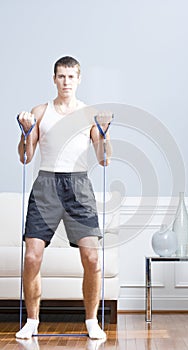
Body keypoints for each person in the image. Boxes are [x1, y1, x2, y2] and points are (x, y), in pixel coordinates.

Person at [15, 56, 112, 340]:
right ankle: (32, 321)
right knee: (32, 256)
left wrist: (105, 132)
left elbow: (104, 159)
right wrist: (24, 131)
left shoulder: (88, 114)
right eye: (61, 76)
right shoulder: (41, 112)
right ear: (54, 79)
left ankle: (92, 321)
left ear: (78, 79)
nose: (66, 82)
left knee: (92, 259)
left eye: (71, 77)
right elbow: (25, 157)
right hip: (46, 184)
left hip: (78, 185)